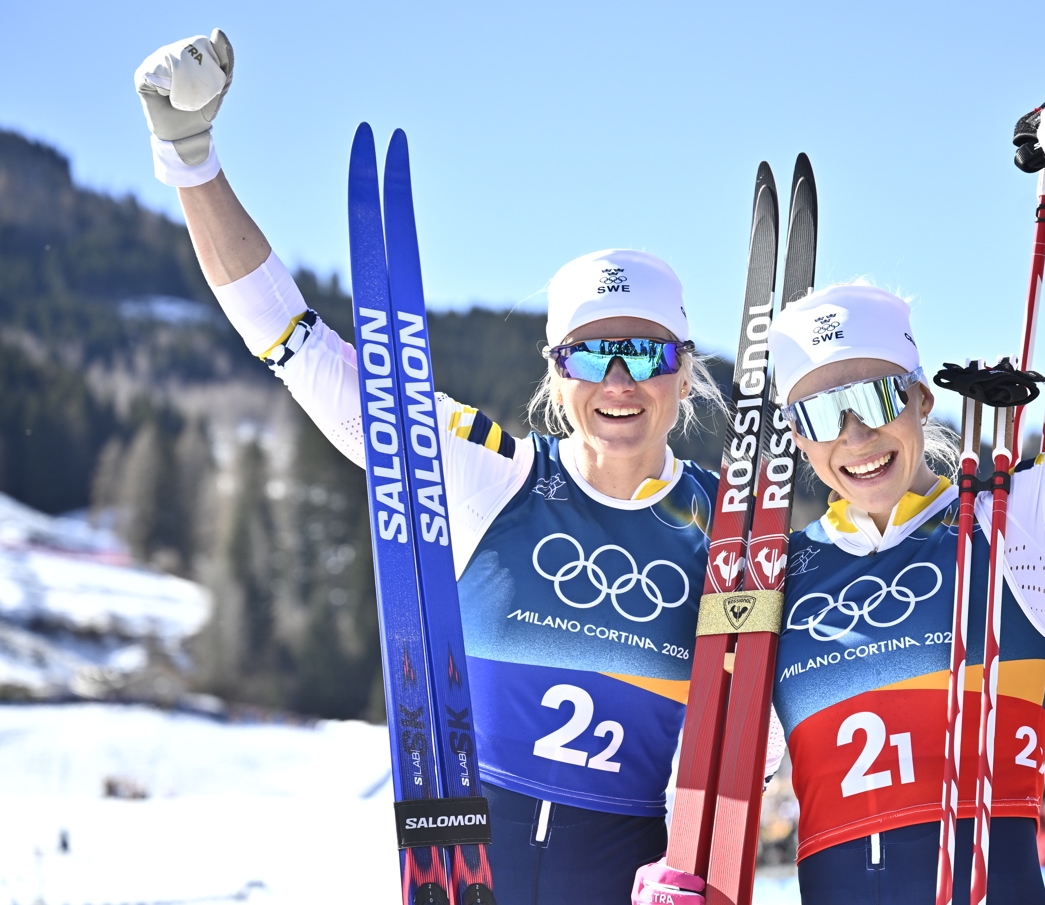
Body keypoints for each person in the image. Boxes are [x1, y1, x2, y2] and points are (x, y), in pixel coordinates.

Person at [134, 31, 728, 905]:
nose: (618, 381)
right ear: (554, 372)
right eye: (587, 354)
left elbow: (767, 731)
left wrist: (707, 851)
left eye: (643, 353)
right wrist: (191, 160)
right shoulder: (494, 475)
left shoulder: (726, 528)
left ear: (683, 369)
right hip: (464, 859)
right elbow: (303, 350)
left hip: (624, 871)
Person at [633, 104, 1045, 903]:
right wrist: (681, 871)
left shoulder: (1021, 523)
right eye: (820, 415)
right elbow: (725, 781)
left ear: (920, 399)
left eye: (875, 398)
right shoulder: (777, 580)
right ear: (797, 442)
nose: (854, 435)